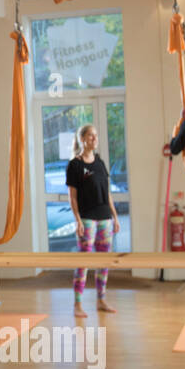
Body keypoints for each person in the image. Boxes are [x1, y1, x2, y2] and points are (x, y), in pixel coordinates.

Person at [65, 124, 120, 318]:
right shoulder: (75, 165)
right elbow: (72, 197)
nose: (94, 139)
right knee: (84, 261)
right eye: (90, 136)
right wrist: (78, 220)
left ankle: (101, 299)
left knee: (104, 261)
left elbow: (108, 194)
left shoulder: (100, 163)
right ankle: (78, 304)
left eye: (96, 135)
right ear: (82, 139)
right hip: (87, 218)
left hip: (105, 217)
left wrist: (115, 216)